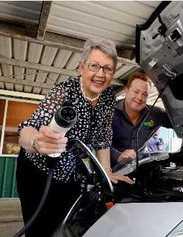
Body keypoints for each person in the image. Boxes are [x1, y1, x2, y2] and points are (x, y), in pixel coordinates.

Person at [16, 38, 133, 237]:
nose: (100, 74)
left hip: (71, 175)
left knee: (68, 226)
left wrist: (106, 172)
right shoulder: (63, 92)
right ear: (81, 68)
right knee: (40, 230)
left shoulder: (108, 98)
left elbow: (103, 138)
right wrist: (37, 141)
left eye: (107, 68)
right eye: (94, 66)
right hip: (38, 172)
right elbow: (26, 130)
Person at [111, 71, 171, 166]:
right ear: (126, 90)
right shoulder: (108, 114)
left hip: (148, 172)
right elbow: (96, 142)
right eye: (136, 92)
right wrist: (118, 155)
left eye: (144, 94)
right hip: (115, 174)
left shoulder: (157, 114)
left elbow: (179, 128)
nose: (139, 97)